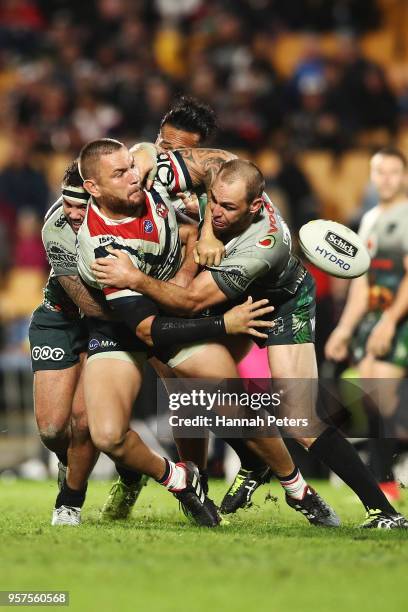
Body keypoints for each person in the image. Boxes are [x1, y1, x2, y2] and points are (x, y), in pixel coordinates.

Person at [93, 149, 408, 529]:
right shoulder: (225, 180)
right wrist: (208, 227)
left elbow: (193, 301)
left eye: (228, 208)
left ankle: (384, 512)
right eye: (216, 205)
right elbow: (145, 154)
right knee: (194, 389)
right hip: (239, 301)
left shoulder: (263, 245)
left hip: (282, 304)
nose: (218, 213)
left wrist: (135, 279)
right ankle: (250, 466)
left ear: (256, 206)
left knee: (300, 419)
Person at [76, 137, 278, 528]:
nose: (134, 177)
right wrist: (224, 323)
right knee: (107, 436)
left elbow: (225, 166)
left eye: (131, 165)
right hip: (126, 328)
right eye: (120, 173)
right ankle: (179, 477)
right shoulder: (102, 247)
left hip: (169, 308)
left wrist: (205, 232)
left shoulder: (150, 180)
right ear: (93, 189)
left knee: (229, 392)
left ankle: (288, 480)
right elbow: (149, 332)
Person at [325, 147, 408, 502]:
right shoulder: (370, 218)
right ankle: (388, 474)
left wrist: (389, 322)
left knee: (382, 390)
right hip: (374, 318)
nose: (386, 179)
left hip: (398, 317)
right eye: (380, 172)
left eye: (393, 172)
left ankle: (385, 479)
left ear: (404, 176)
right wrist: (345, 328)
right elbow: (361, 280)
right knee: (374, 396)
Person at [29, 161, 105, 526]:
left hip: (102, 329)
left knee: (85, 421)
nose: (72, 213)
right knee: (52, 430)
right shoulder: (55, 226)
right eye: (67, 202)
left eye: (81, 205)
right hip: (61, 316)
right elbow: (86, 302)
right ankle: (74, 461)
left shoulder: (121, 221)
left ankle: (70, 501)